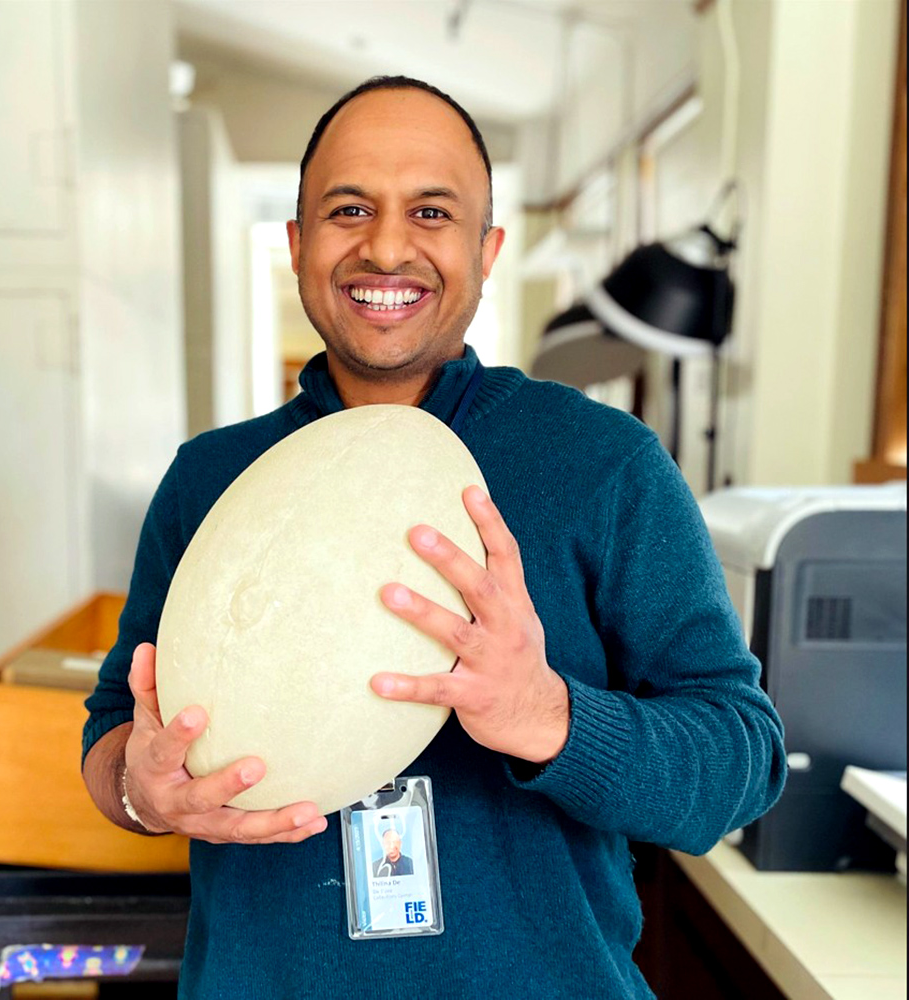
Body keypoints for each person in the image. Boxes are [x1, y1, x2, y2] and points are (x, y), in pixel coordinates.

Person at [82, 75, 786, 999]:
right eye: (347, 209)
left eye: (431, 211)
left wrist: (546, 715)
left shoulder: (602, 463)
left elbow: (741, 760)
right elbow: (110, 735)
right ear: (296, 245)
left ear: (486, 250)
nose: (385, 246)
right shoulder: (210, 480)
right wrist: (139, 790)